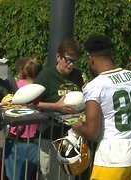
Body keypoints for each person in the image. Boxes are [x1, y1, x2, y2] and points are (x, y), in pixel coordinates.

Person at [72, 35, 131, 179]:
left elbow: (92, 132)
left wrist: (78, 127)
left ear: (90, 59)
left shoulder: (95, 85)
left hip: (112, 155)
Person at [34, 37, 84, 179]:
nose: (71, 65)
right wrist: (56, 107)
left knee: (67, 176)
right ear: (58, 57)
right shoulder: (45, 76)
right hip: (49, 137)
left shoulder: (78, 76)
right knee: (47, 174)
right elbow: (32, 104)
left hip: (71, 139)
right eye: (68, 60)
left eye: (74, 61)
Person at [4, 58, 43, 180]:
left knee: (13, 175)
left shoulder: (19, 85)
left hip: (17, 137)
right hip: (34, 139)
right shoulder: (41, 88)